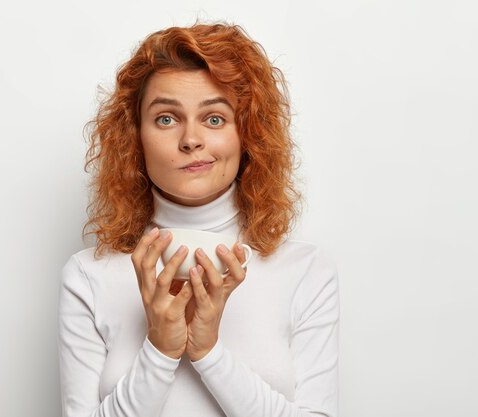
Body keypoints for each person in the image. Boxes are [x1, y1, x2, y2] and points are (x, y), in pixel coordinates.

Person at [57, 23, 339, 417]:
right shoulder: (88, 276)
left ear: (249, 135)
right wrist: (159, 349)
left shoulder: (306, 271)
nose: (191, 139)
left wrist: (208, 352)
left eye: (215, 119)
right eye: (167, 119)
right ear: (134, 137)